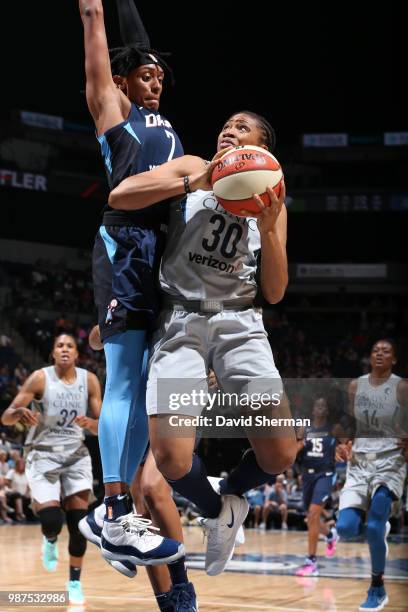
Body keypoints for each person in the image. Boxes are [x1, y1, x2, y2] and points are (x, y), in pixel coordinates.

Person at [109, 110, 298, 575]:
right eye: (227, 124)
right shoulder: (191, 166)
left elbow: (274, 291)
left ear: (262, 149)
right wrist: (192, 183)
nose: (228, 130)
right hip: (181, 324)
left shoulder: (272, 197)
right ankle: (216, 511)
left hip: (240, 325)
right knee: (172, 460)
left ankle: (231, 492)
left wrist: (272, 225)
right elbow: (120, 196)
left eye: (242, 127)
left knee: (280, 453)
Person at [79, 1, 196, 607]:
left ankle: (117, 517)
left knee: (143, 383)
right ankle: (113, 506)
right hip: (123, 246)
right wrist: (102, 13)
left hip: (156, 257)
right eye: (144, 74)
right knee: (122, 380)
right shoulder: (114, 109)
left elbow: (142, 38)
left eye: (159, 76)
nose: (154, 81)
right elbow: (98, 20)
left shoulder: (163, 121)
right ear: (121, 81)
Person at [1, 333, 102, 605]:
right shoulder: (40, 378)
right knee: (51, 521)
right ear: (53, 354)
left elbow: (101, 423)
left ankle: (74, 582)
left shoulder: (89, 380)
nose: (65, 349)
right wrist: (19, 414)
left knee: (79, 524)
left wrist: (91, 425)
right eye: (60, 346)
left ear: (77, 355)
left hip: (75, 455)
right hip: (42, 455)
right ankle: (50, 538)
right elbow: (6, 417)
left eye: (70, 346)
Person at [336, 339, 408, 611]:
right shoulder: (356, 385)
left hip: (390, 460)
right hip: (359, 462)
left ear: (394, 360)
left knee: (375, 525)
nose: (379, 354)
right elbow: (347, 421)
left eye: (386, 351)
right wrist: (343, 441)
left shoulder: (401, 386)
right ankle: (379, 529)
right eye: (375, 350)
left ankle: (377, 588)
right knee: (345, 528)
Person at [295, 397, 338, 577]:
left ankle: (311, 561)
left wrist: (343, 451)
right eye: (317, 405)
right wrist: (299, 447)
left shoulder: (334, 429)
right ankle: (330, 535)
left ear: (327, 411)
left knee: (313, 515)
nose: (320, 408)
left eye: (324, 406)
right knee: (311, 518)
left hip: (325, 475)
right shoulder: (305, 428)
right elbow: (294, 448)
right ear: (313, 410)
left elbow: (346, 446)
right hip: (308, 475)